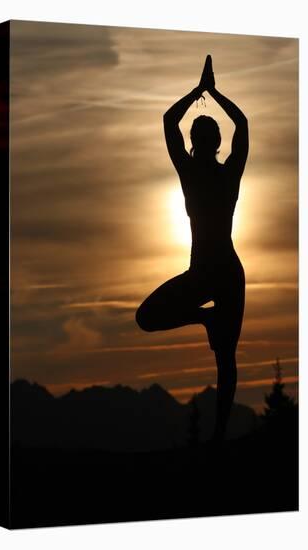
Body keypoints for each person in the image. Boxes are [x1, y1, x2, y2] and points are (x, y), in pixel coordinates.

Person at [135, 55, 249, 441]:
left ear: (194, 142)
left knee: (147, 317)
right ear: (216, 142)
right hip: (225, 271)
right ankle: (218, 436)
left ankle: (204, 319)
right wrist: (214, 93)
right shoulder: (228, 172)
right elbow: (244, 125)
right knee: (226, 361)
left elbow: (169, 121)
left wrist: (199, 91)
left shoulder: (189, 172)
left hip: (205, 272)